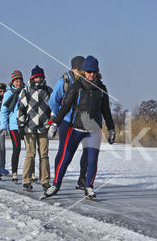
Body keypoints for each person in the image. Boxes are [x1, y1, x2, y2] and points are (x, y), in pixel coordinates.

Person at [46, 56, 115, 200]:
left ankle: (89, 186)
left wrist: (111, 129)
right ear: (84, 72)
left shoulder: (101, 89)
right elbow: (64, 107)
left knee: (92, 160)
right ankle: (55, 185)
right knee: (66, 157)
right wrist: (55, 124)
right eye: (88, 71)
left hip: (93, 130)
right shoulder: (76, 86)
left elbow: (106, 111)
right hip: (76, 128)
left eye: (94, 72)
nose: (91, 74)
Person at [49, 56, 89, 189]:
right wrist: (61, 116)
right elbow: (53, 102)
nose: (84, 72)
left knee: (88, 150)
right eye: (81, 70)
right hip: (67, 121)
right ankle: (56, 179)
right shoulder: (64, 82)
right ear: (74, 69)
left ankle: (82, 179)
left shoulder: (87, 82)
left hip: (84, 121)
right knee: (65, 151)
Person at [17, 65, 53, 191]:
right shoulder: (26, 91)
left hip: (44, 127)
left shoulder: (48, 90)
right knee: (30, 154)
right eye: (36, 77)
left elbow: (54, 109)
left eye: (40, 77)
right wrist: (21, 125)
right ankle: (26, 180)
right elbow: (21, 109)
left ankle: (45, 180)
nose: (38, 79)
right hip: (29, 128)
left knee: (44, 155)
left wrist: (51, 123)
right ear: (32, 78)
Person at [0, 70, 25, 183]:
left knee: (30, 149)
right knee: (17, 148)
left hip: (24, 124)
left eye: (20, 81)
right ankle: (14, 172)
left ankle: (32, 173)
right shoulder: (8, 94)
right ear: (13, 82)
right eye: (16, 81)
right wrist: (3, 126)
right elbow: (4, 111)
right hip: (14, 126)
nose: (18, 83)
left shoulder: (25, 91)